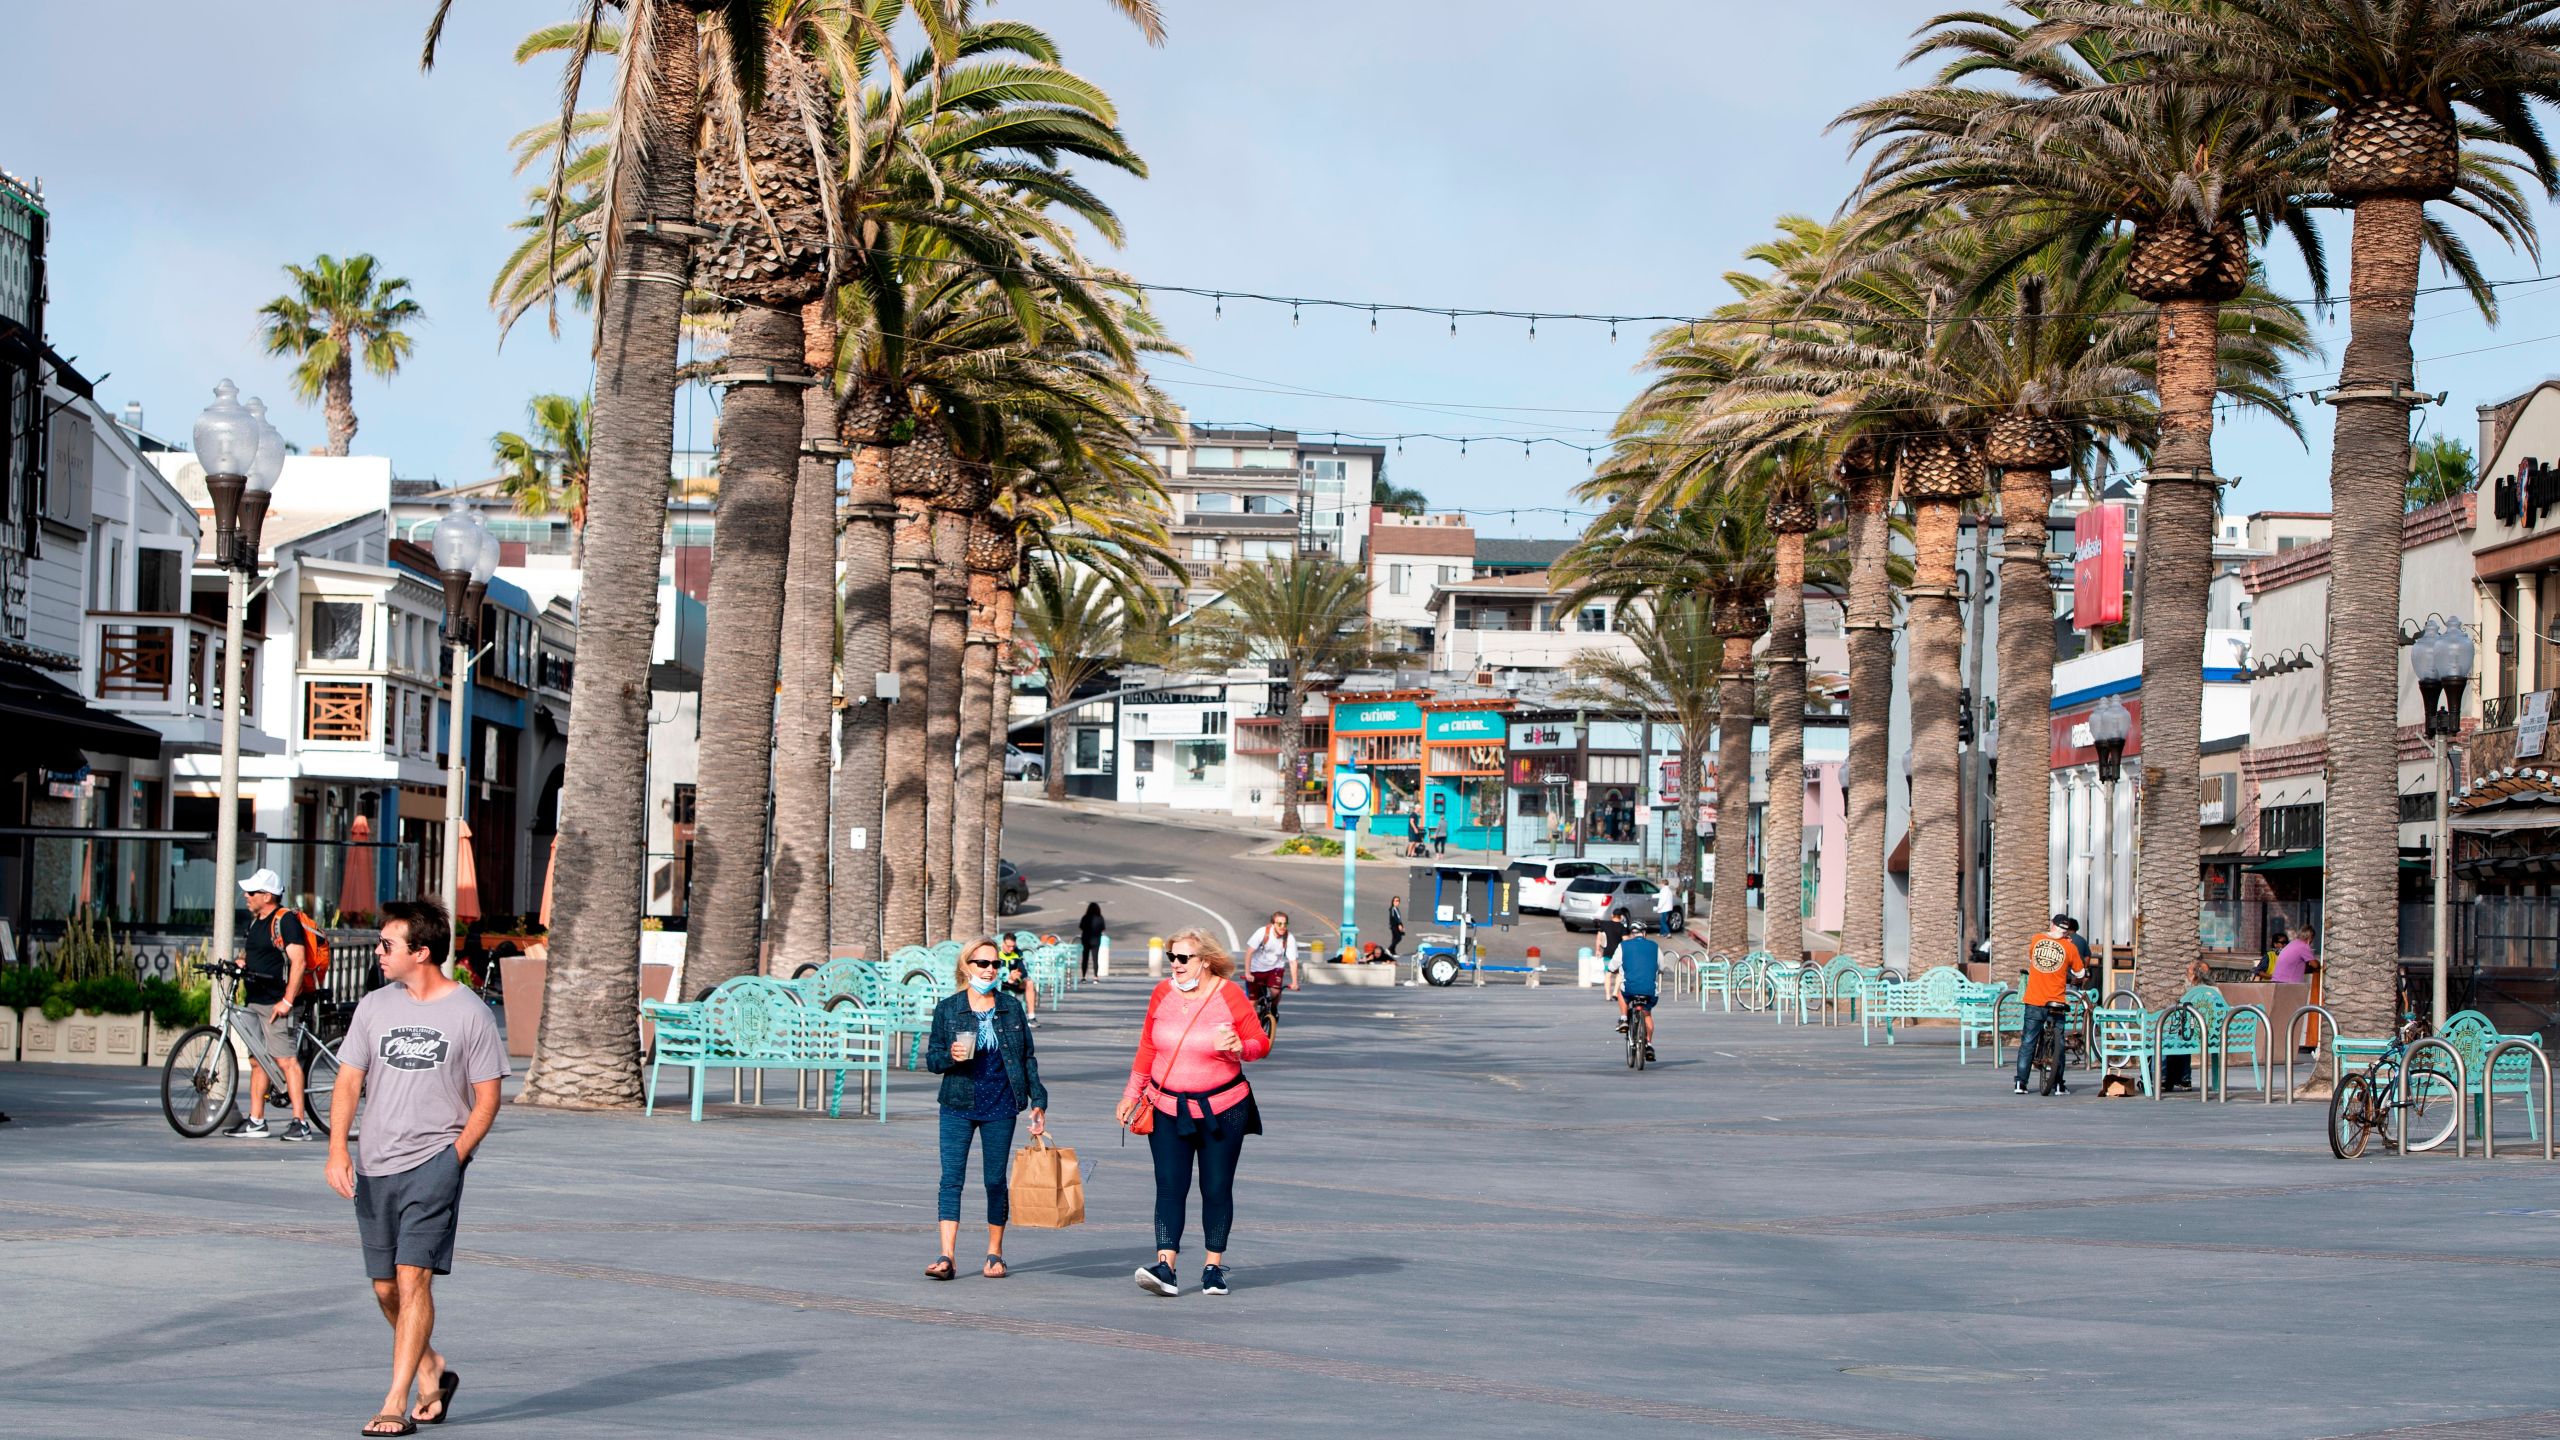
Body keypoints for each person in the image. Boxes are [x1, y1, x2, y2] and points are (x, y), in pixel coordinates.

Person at [324, 897, 505, 1437]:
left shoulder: (469, 1012)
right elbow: (348, 1082)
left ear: (421, 952)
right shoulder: (374, 1007)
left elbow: (488, 1097)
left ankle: (395, 1401)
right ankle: (431, 1367)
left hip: (434, 1164)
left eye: (387, 944)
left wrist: (454, 1158)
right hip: (375, 1164)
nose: (378, 951)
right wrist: (337, 1149)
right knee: (385, 1289)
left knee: (413, 1278)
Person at [1115, 929, 1269, 1298]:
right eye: (1172, 956)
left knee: (1216, 1188)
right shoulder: (1162, 994)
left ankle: (1213, 1268)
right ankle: (1165, 1267)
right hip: (1166, 1106)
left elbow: (1260, 1044)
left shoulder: (1229, 995)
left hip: (1223, 1108)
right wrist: (1130, 1093)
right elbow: (1148, 1047)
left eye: (1184, 958)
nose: (1176, 964)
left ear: (1205, 961)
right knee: (1169, 1186)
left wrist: (1239, 1047)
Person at [923, 937, 1048, 1282]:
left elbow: (1026, 1058)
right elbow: (932, 1060)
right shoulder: (948, 1009)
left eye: (995, 964)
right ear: (966, 967)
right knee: (951, 1179)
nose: (990, 969)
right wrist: (950, 1055)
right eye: (982, 964)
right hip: (957, 1103)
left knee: (995, 1180)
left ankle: (995, 1252)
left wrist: (1038, 1101)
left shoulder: (1011, 1007)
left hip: (1001, 1104)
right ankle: (946, 1255)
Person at [227, 868, 317, 1141]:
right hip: (255, 999)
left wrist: (287, 1001)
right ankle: (256, 1121)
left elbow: (299, 961)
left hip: (277, 1002)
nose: (246, 895)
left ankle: (300, 1123)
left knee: (286, 1060)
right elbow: (258, 953)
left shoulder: (285, 920)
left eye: (252, 892)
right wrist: (242, 962)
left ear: (267, 895)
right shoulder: (256, 921)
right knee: (257, 1061)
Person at [2012, 917, 2087, 1095]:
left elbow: (2032, 960)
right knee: (2058, 1043)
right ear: (2067, 931)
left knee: (2028, 1041)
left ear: (2052, 925)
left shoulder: (2036, 939)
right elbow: (2080, 972)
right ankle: (2059, 1084)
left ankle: (2020, 1083)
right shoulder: (2070, 947)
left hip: (2034, 1000)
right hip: (2057, 1002)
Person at [1609, 918, 1662, 1062]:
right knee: (1647, 1014)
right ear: (1644, 933)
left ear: (1632, 933)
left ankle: (1624, 1019)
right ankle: (1649, 1044)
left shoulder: (1623, 946)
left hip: (1631, 988)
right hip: (1650, 990)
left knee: (1621, 991)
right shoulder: (1655, 946)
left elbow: (1612, 966)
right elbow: (1661, 967)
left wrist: (1613, 969)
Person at [1241, 911, 1301, 1026]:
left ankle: (1273, 1008)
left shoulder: (1289, 938)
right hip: (1256, 969)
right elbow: (1249, 953)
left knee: (1275, 991)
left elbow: (1293, 962)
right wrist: (1248, 973)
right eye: (1279, 924)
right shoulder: (1262, 932)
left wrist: (1294, 982)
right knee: (1252, 1002)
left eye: (1285, 924)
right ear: (1273, 924)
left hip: (1275, 968)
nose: (1282, 927)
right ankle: (1254, 1027)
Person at [998, 933, 1039, 1028]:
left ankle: (1031, 1017)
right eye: (1008, 946)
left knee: (1029, 983)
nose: (1011, 949)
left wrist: (1017, 975)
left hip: (1015, 981)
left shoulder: (1018, 953)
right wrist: (1008, 976)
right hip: (1000, 982)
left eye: (1013, 946)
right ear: (1003, 943)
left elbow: (1024, 971)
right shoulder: (997, 952)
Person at [1078, 903, 1107, 980]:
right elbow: (1103, 928)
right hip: (1096, 940)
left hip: (1086, 939)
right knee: (1095, 959)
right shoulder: (1100, 918)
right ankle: (1095, 976)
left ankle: (1083, 976)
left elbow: (1081, 926)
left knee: (1085, 958)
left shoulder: (1085, 917)